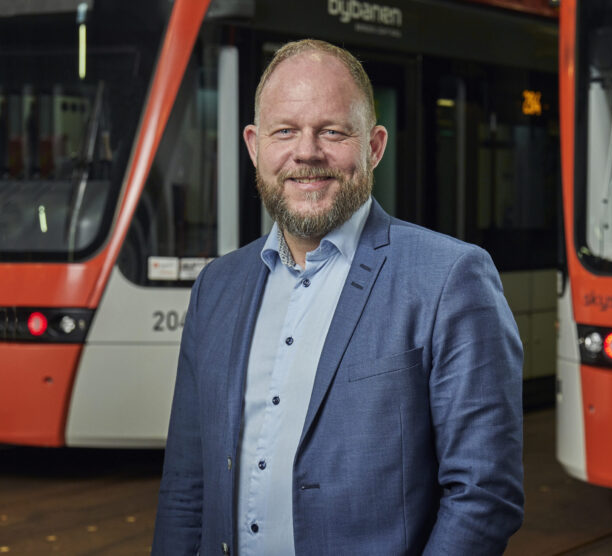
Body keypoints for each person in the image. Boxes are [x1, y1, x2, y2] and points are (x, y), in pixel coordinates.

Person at [152, 39, 524, 556]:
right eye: (286, 131)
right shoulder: (216, 287)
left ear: (373, 146)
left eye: (332, 131)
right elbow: (186, 488)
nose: (306, 152)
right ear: (255, 146)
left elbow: (485, 494)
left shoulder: (449, 278)